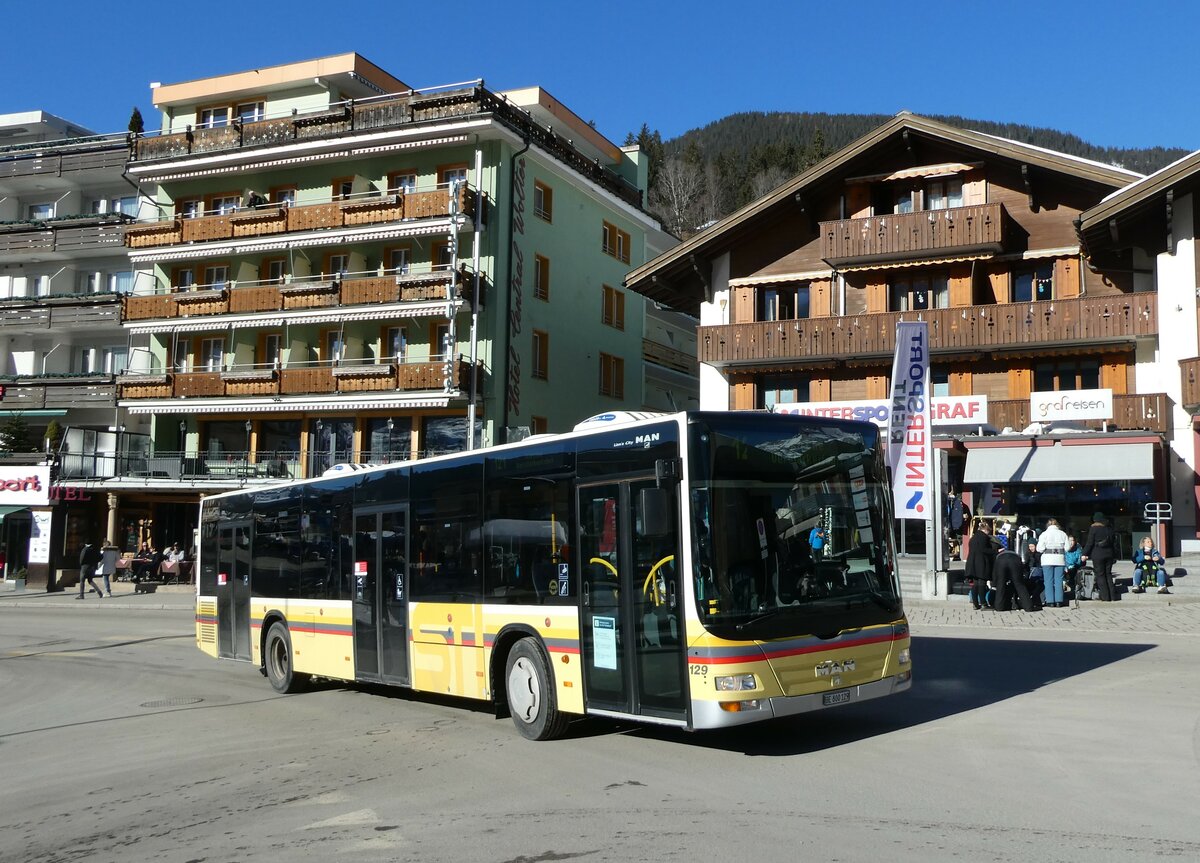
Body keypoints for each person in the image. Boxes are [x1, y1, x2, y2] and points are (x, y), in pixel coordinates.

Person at [1081, 511, 1117, 601]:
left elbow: (1090, 543)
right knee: (1108, 574)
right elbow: (1114, 543)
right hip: (1109, 554)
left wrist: (1084, 554)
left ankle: (1105, 597)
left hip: (1098, 554)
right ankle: (1113, 596)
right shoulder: (1109, 529)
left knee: (1100, 575)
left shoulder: (1094, 529)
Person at [993, 544, 1038, 612]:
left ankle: (999, 607)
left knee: (1000, 584)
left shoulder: (998, 556)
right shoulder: (1016, 555)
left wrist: (994, 582)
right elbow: (1021, 571)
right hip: (1014, 561)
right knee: (1019, 585)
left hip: (1001, 561)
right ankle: (1028, 607)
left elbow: (995, 574)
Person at [1036, 518, 1069, 607]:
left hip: (1047, 559)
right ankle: (1059, 601)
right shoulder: (1063, 534)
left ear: (1047, 525)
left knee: (1048, 581)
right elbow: (1067, 548)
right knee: (1059, 580)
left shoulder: (1044, 534)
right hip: (1059, 558)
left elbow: (1039, 549)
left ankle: (1050, 601)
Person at [964, 521, 995, 610]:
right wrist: (995, 552)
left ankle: (975, 603)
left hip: (972, 564)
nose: (988, 533)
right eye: (988, 531)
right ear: (985, 530)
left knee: (975, 584)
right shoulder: (984, 538)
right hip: (981, 563)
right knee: (982, 583)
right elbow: (984, 550)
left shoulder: (973, 538)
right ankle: (984, 604)